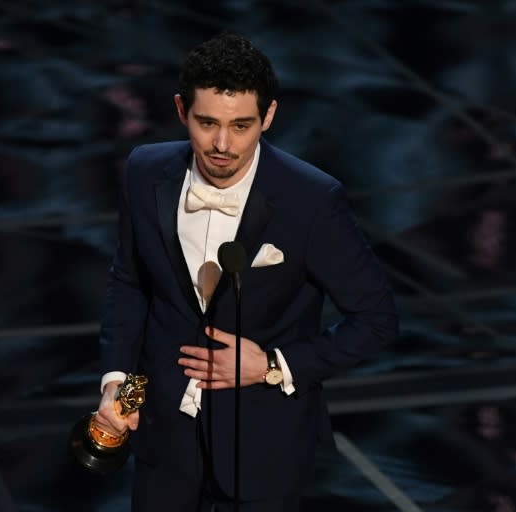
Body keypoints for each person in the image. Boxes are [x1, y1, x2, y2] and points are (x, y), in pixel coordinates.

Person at [93, 32, 399, 511]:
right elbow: (131, 283)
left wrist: (275, 365)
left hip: (263, 449)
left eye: (241, 126)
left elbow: (376, 319)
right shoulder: (144, 170)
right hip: (163, 442)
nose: (221, 144)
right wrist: (117, 383)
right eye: (207, 122)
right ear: (180, 110)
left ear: (269, 116)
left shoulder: (311, 200)